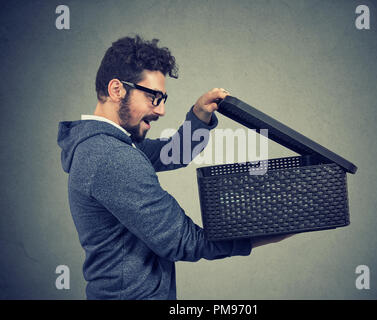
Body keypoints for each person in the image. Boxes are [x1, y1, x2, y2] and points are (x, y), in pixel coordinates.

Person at [57, 35, 290, 300]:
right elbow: (184, 241)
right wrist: (268, 232)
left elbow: (171, 154)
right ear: (116, 90)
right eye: (153, 97)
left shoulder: (105, 145)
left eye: (163, 98)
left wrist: (199, 116)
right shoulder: (111, 157)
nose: (162, 110)